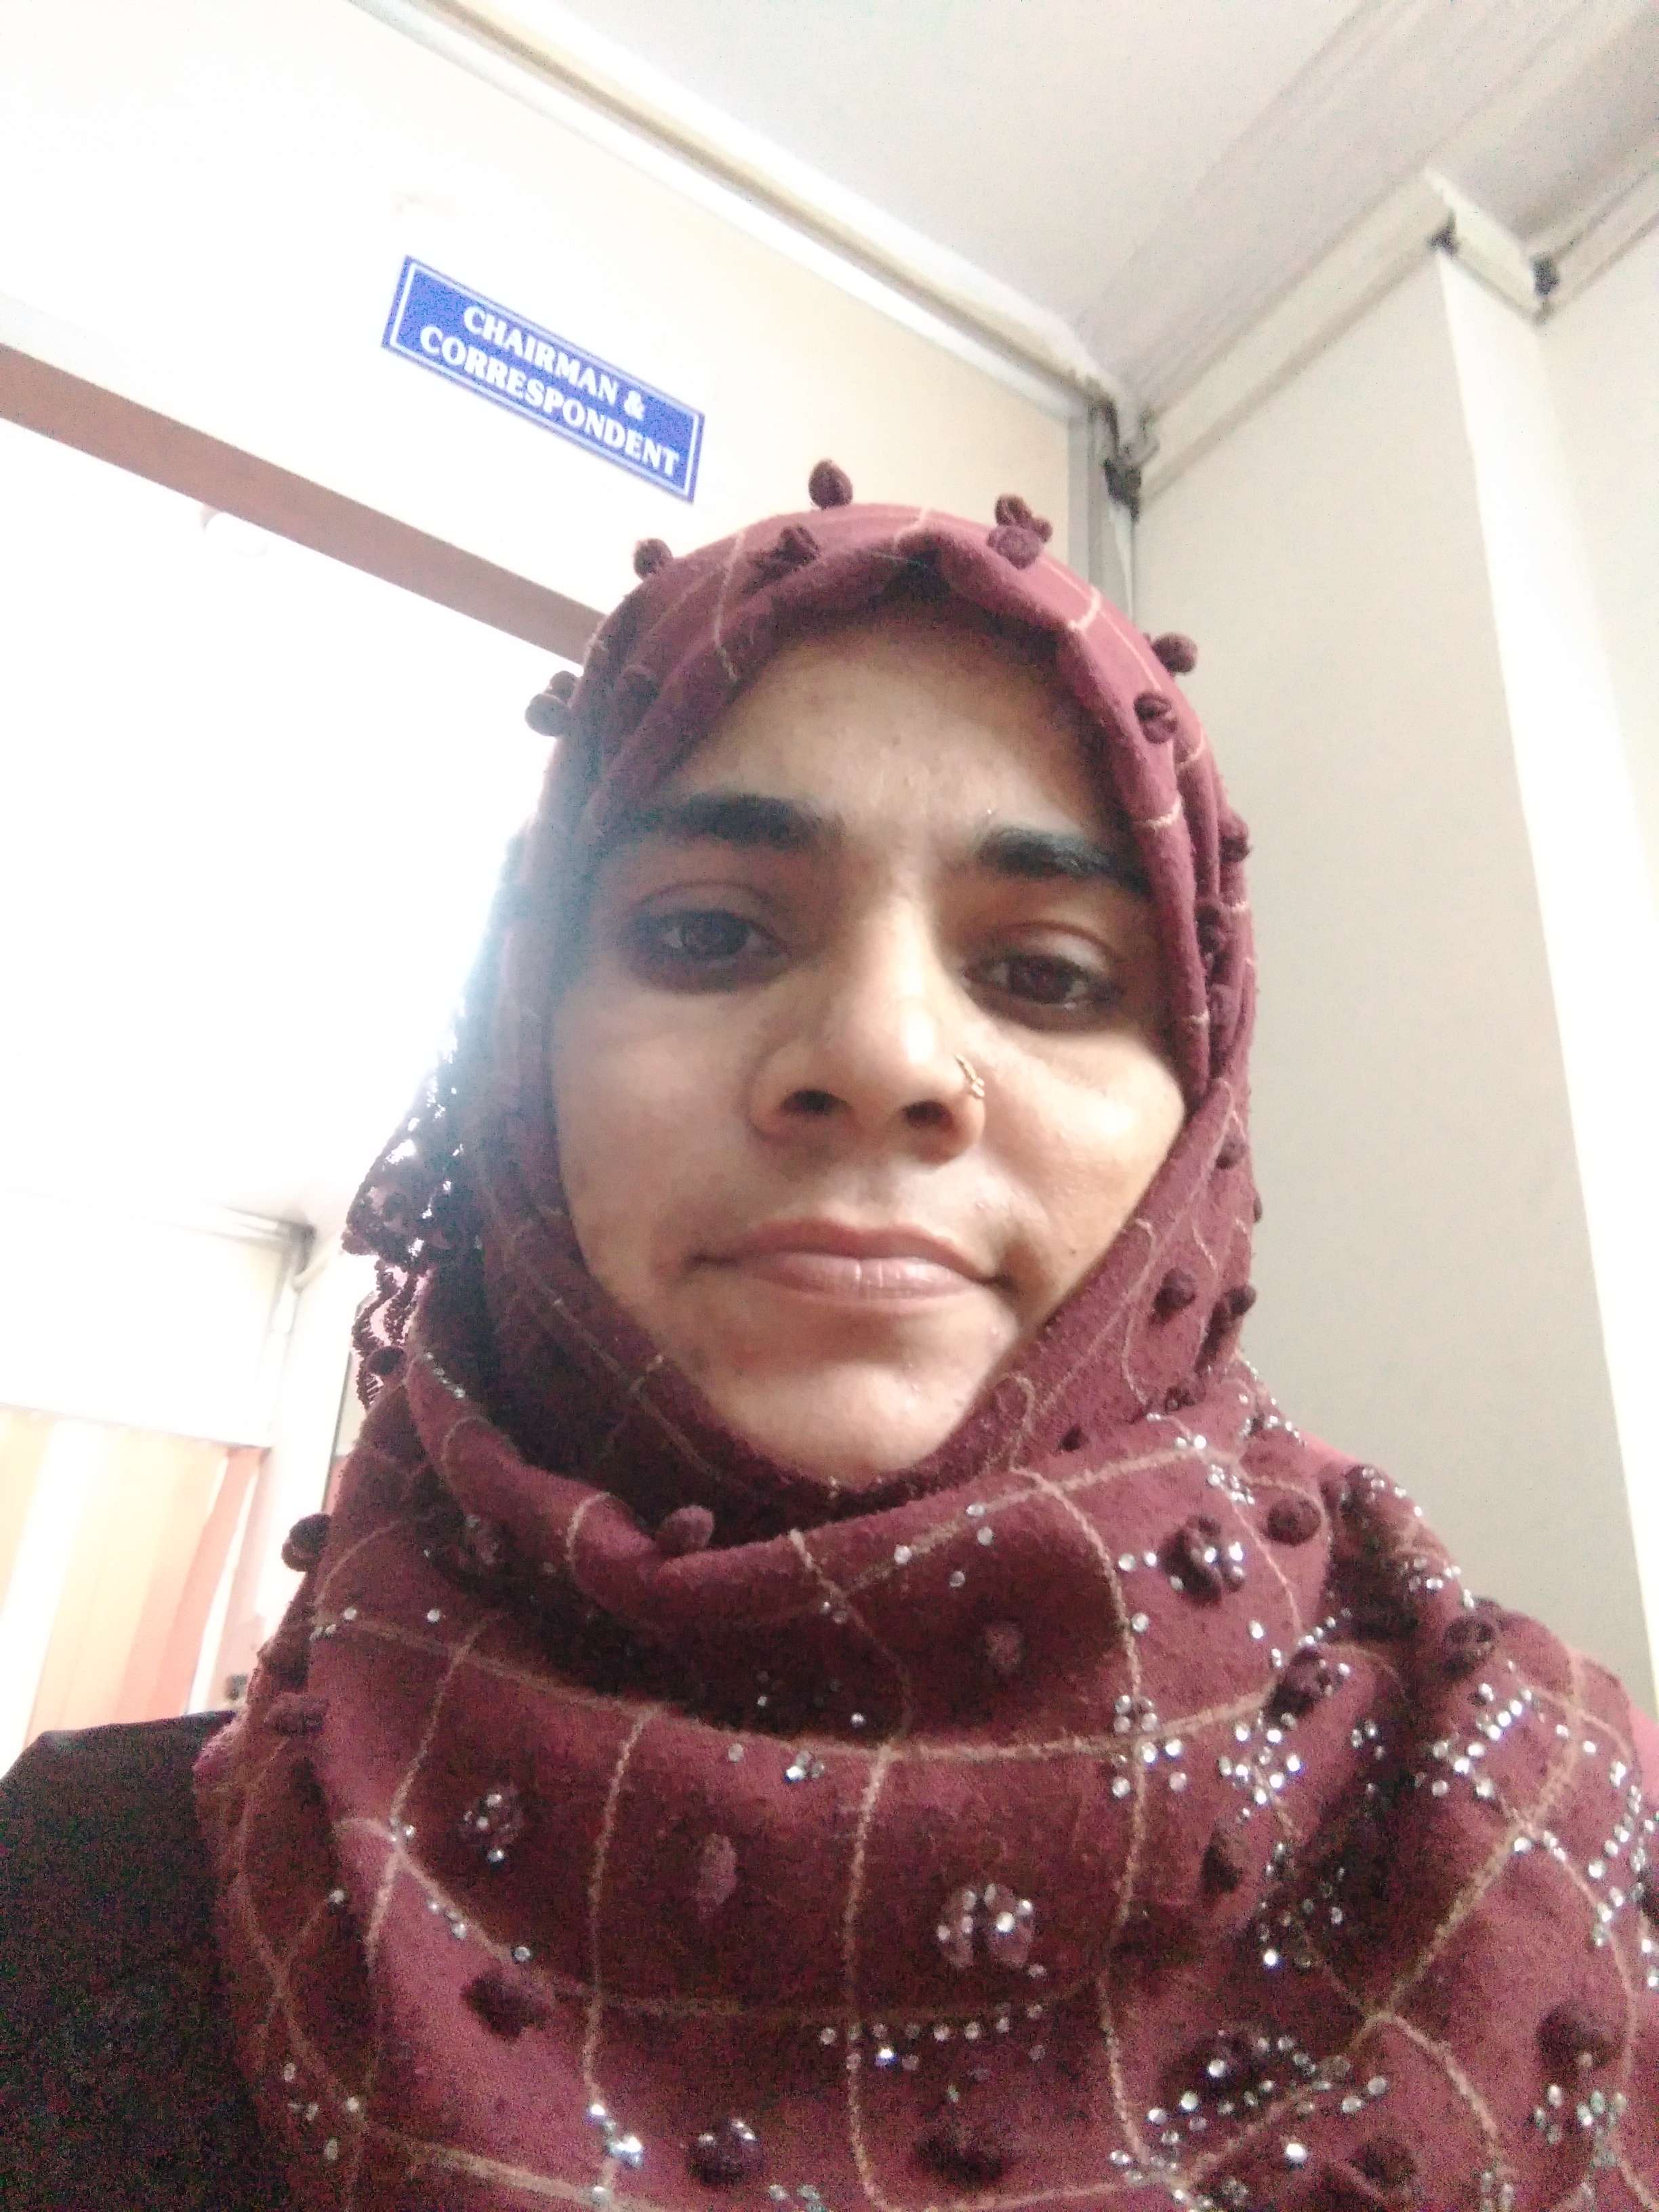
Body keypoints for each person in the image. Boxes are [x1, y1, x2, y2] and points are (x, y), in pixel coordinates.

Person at [3, 466, 1656, 2209]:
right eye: (706, 933)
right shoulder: (80, 1903)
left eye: (1048, 973)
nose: (878, 1056)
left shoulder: (1547, 1839)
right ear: (521, 1055)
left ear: (1203, 1125)